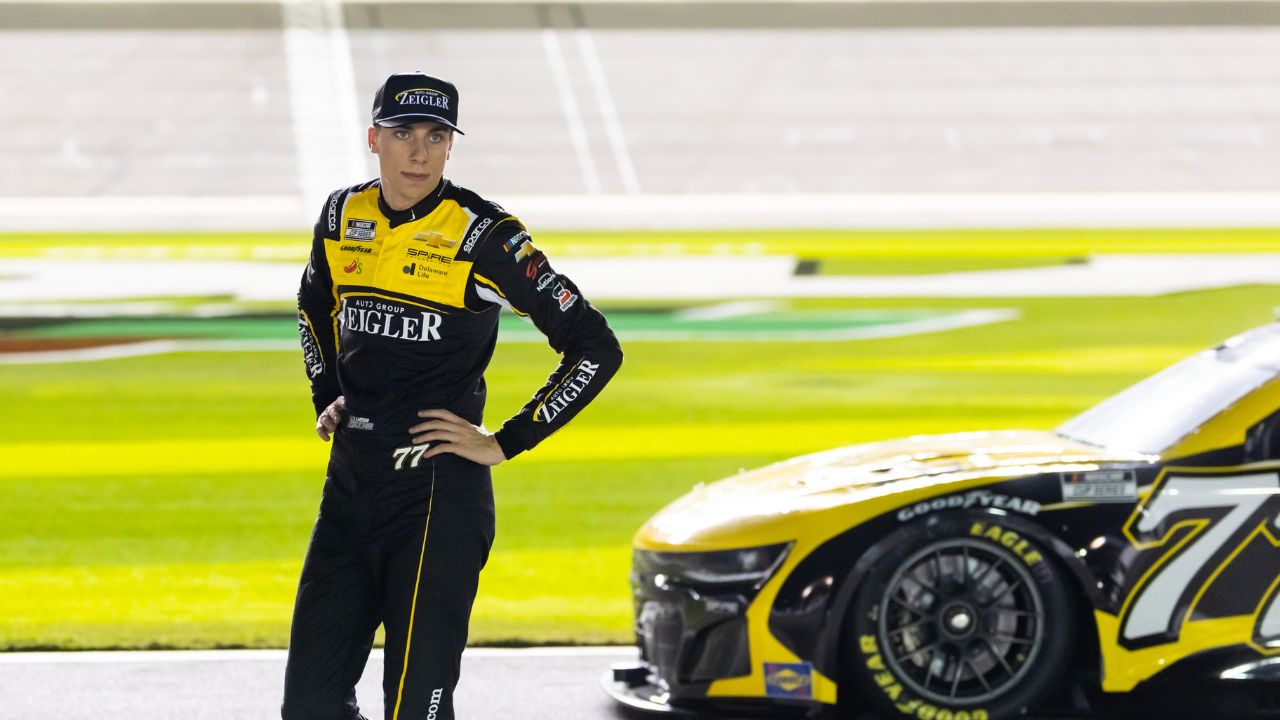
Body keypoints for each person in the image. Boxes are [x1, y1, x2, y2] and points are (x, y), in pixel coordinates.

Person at [282, 71, 623, 720]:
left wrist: (506, 440)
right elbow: (313, 301)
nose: (419, 152)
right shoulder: (339, 214)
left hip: (438, 498)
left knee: (416, 712)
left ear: (450, 147)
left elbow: (595, 346)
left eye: (436, 136)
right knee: (309, 708)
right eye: (403, 133)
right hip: (350, 489)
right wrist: (325, 388)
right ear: (373, 139)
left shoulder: (485, 237)